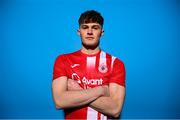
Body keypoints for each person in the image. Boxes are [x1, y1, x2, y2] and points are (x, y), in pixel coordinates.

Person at [52, 10, 126, 120]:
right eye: (85, 27)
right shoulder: (63, 60)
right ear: (79, 32)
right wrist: (101, 90)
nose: (90, 32)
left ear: (102, 32)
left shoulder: (115, 64)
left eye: (95, 28)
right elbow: (59, 101)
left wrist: (77, 90)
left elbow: (115, 109)